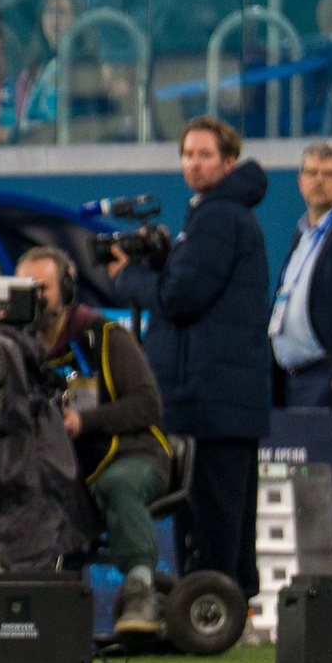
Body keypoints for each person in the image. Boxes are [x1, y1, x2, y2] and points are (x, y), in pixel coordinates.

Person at [102, 117, 273, 601]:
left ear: (229, 162)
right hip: (217, 398)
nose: (193, 164)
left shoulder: (219, 216)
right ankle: (227, 608)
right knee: (222, 518)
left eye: (205, 155)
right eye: (187, 155)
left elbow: (181, 299)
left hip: (210, 400)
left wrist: (129, 276)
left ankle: (211, 612)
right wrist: (161, 263)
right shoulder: (217, 214)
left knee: (212, 517)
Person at [19, 247, 172, 635]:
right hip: (60, 466)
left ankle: (139, 590)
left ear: (66, 287)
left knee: (116, 484)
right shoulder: (18, 349)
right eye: (26, 289)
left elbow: (147, 405)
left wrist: (83, 422)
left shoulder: (105, 336)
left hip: (133, 454)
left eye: (43, 288)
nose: (35, 298)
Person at [268, 141, 332, 546]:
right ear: (300, 181)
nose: (318, 180)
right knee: (304, 504)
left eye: (328, 173)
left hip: (329, 383)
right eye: (311, 172)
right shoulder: (303, 235)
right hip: (295, 381)